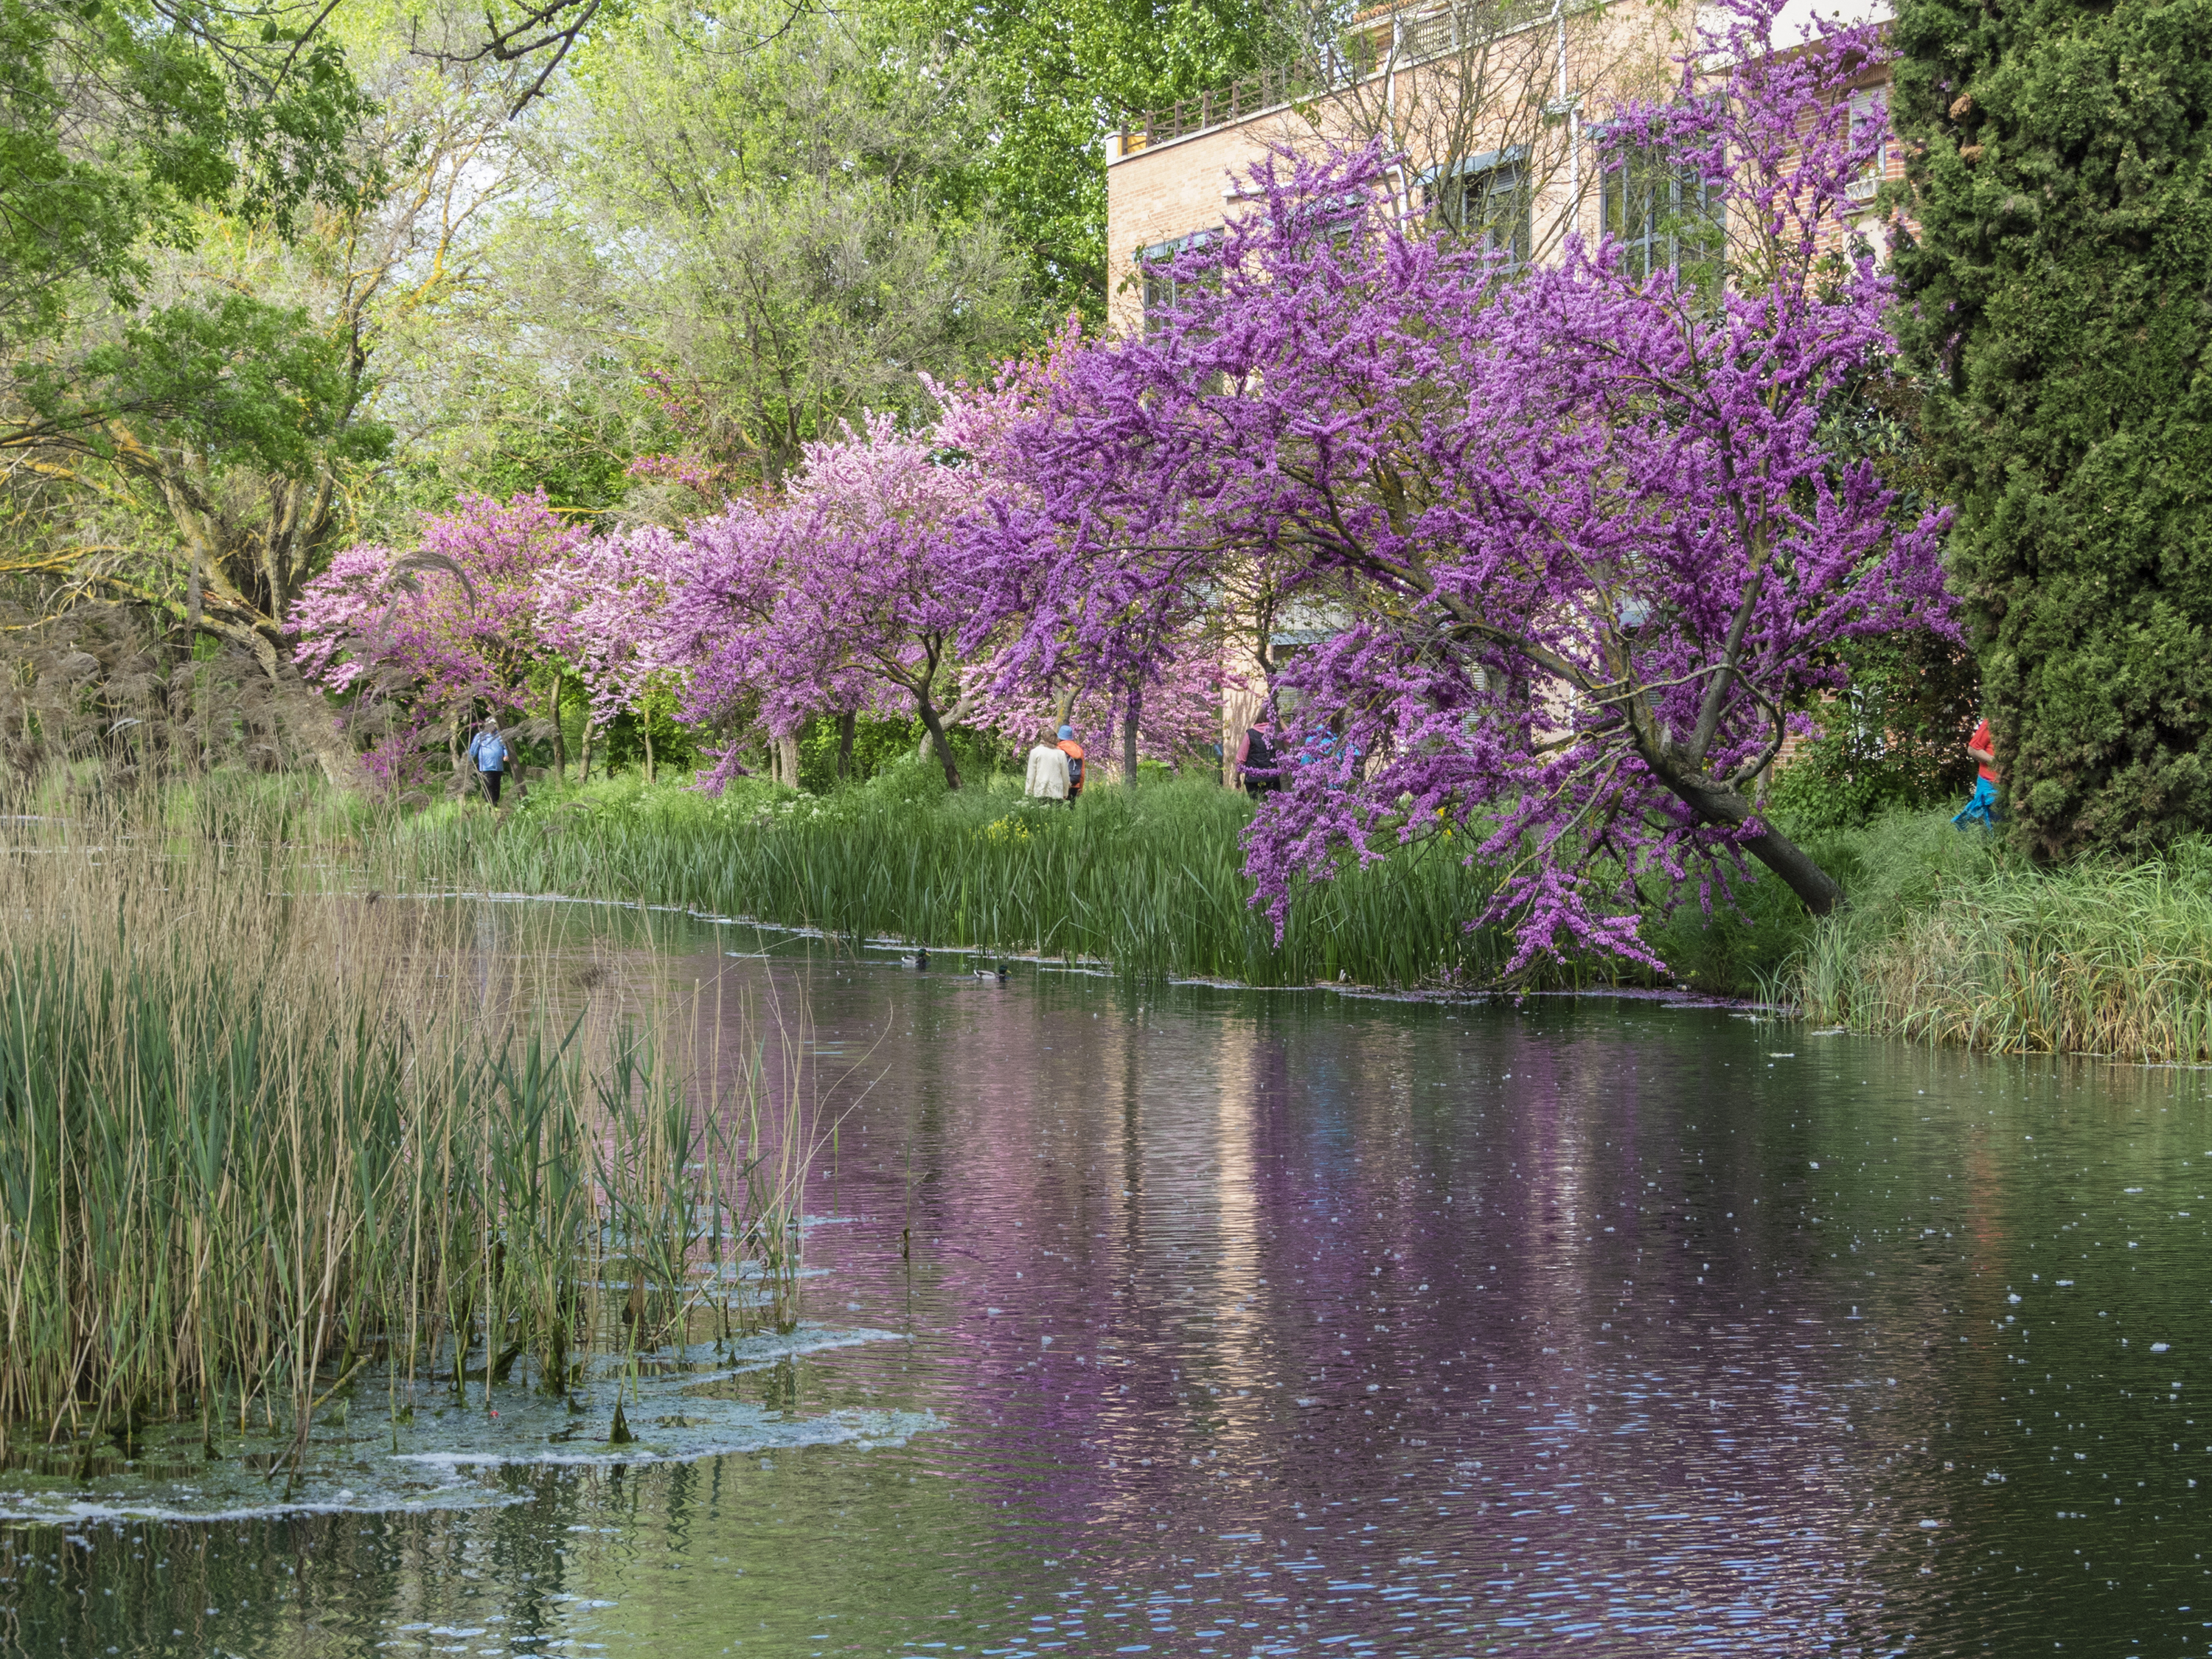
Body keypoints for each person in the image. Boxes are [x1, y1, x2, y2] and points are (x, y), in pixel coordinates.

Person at [1953, 712, 2001, 830]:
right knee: (1992, 830)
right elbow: (1973, 749)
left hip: (2017, 786)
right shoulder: (1993, 720)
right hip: (1991, 785)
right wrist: (1996, 762)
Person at [1235, 711, 1282, 794]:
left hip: (1253, 780)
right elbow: (1291, 740)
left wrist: (1237, 778)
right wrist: (1281, 722)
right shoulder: (1278, 733)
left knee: (1256, 805)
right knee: (1274, 805)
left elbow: (1241, 759)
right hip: (1274, 778)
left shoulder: (1250, 734)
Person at [467, 717, 509, 809]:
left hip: (498, 767)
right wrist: (468, 761)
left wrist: (506, 755)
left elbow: (505, 747)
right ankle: (489, 806)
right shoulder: (480, 736)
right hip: (486, 767)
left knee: (496, 786)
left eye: (494, 724)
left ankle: (495, 805)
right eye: (490, 724)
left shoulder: (500, 735)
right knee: (488, 786)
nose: (492, 726)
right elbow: (473, 749)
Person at [1023, 725, 1069, 801]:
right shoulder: (1061, 754)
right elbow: (1065, 776)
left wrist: (1028, 792)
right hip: (1057, 793)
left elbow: (1031, 774)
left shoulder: (1035, 752)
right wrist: (1065, 792)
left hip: (1039, 792)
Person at [1054, 724, 1086, 801]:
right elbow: (1082, 771)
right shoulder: (1079, 750)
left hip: (1059, 783)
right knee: (1071, 809)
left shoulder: (1057, 748)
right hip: (1074, 783)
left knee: (1057, 809)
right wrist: (1080, 787)